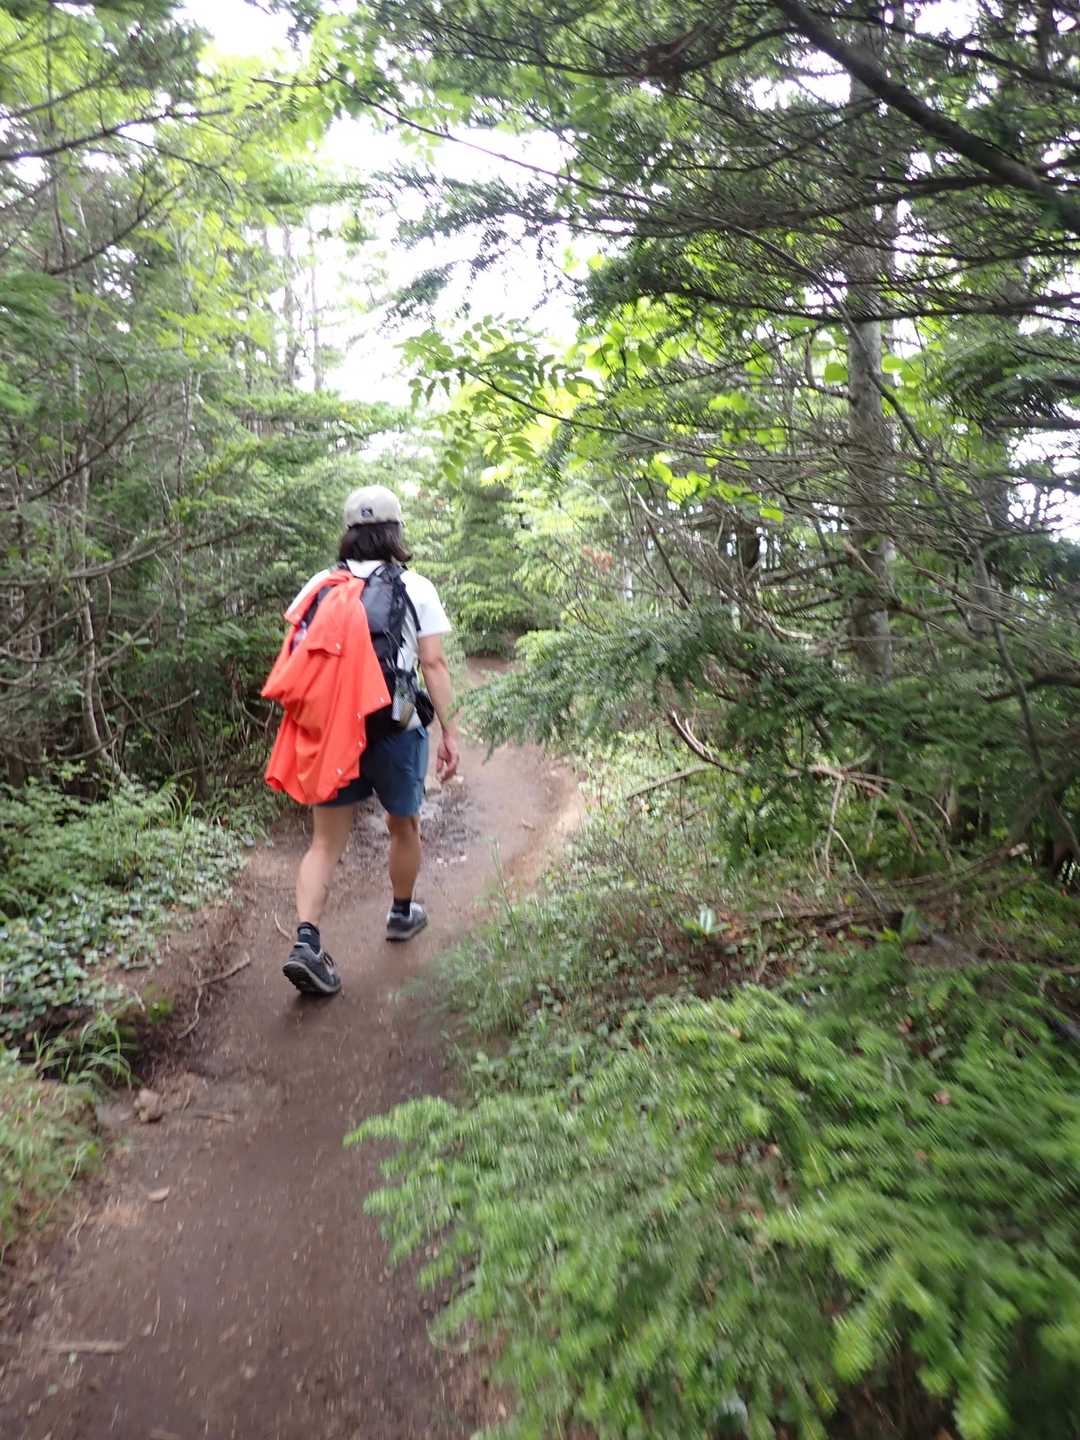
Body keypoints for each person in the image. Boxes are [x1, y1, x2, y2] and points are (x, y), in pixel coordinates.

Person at [280, 484, 459, 997]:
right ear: (395, 531)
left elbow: (298, 655)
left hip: (335, 728)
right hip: (395, 723)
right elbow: (432, 663)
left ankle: (306, 943)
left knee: (324, 843)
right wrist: (450, 731)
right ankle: (401, 913)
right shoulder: (415, 586)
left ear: (349, 532)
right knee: (403, 824)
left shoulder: (321, 585)